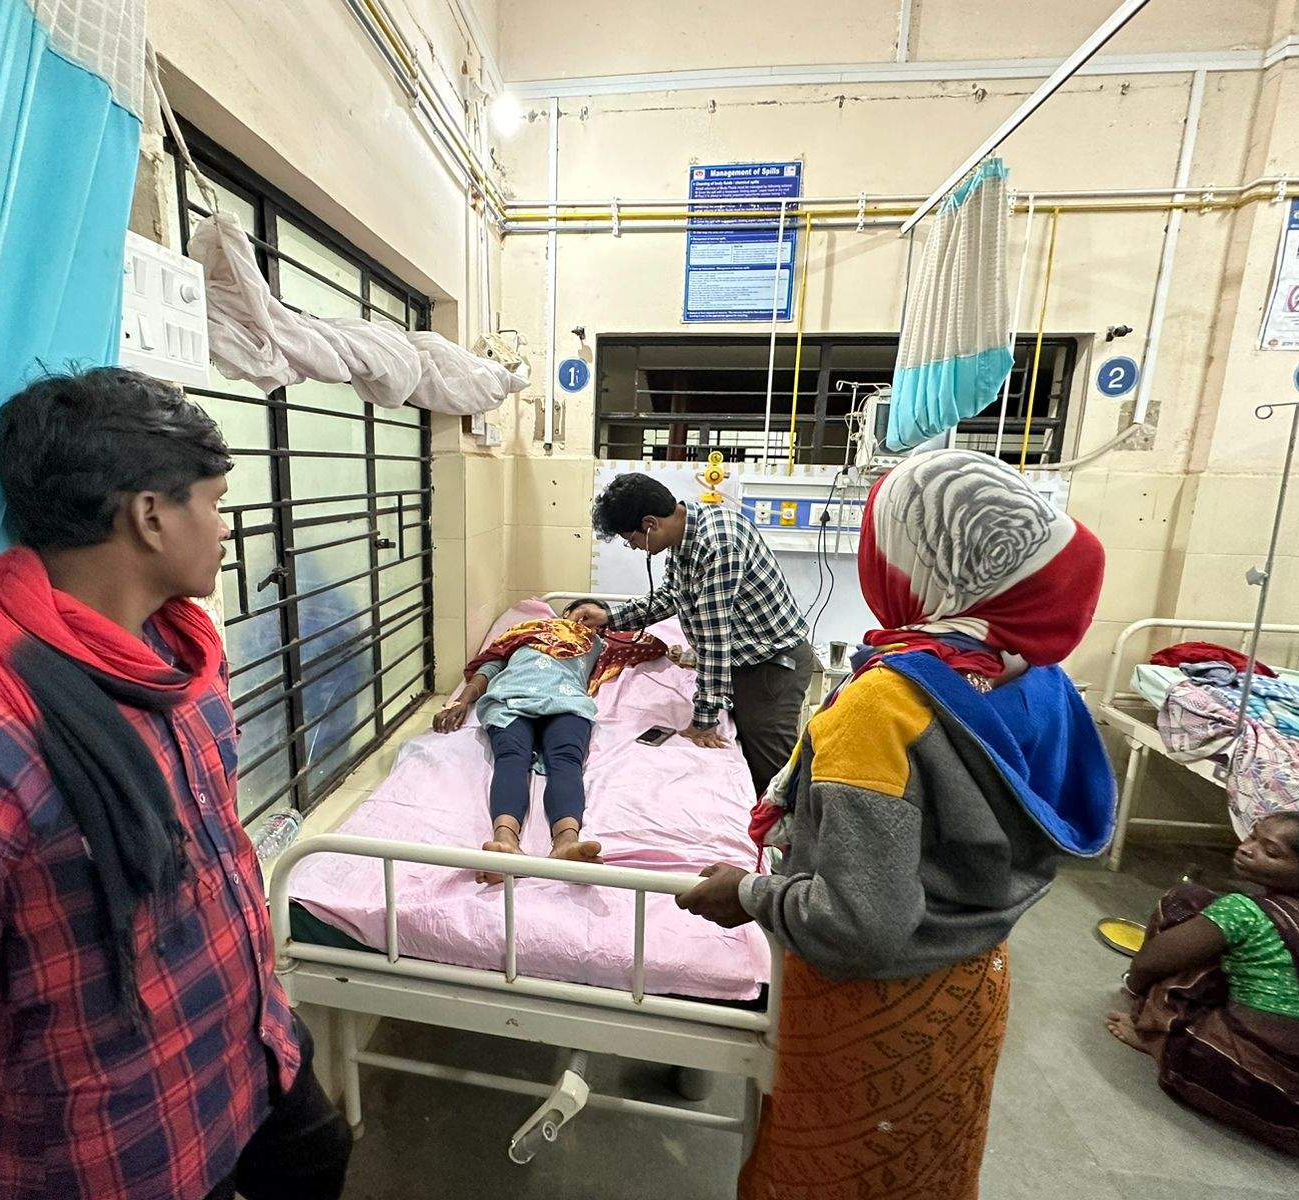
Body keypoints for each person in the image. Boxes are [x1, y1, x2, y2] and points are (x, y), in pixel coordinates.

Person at [0, 368, 351, 1200]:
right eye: (215, 501)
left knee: (319, 1155)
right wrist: (53, 1117)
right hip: (120, 1153)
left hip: (249, 1047)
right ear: (151, 516)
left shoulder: (181, 667)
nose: (226, 526)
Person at [674, 449, 1115, 1200]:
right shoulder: (1036, 677)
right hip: (970, 983)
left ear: (920, 560)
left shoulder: (885, 707)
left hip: (874, 1007)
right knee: (928, 1174)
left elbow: (859, 923)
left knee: (831, 1179)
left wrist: (747, 894)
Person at [1108, 812, 1299, 1157]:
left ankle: (1157, 1037)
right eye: (1253, 836)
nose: (1247, 849)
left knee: (1182, 904)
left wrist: (1136, 990)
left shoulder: (1242, 910)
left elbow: (1150, 962)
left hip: (1250, 1086)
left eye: (1271, 852)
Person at [588, 475, 815, 795]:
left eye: (631, 539)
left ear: (650, 524)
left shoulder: (718, 542)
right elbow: (670, 597)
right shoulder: (683, 539)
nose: (635, 547)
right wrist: (610, 618)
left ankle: (791, 828)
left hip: (772, 665)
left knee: (772, 776)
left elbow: (714, 639)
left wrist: (704, 721)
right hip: (743, 661)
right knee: (753, 768)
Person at [436, 599, 666, 881]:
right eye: (583, 614)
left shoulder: (602, 644)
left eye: (596, 620)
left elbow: (653, 645)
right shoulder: (527, 630)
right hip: (511, 696)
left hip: (566, 701)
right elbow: (491, 666)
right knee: (511, 758)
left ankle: (566, 844)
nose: (588, 623)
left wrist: (610, 627)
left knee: (567, 761)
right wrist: (461, 701)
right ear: (565, 613)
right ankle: (505, 844)